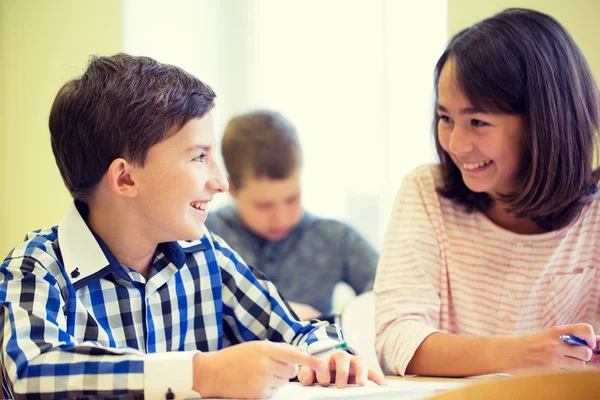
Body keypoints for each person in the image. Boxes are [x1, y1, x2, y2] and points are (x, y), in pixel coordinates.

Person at [0, 54, 385, 399]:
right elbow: (32, 371)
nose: (221, 182)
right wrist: (200, 372)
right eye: (199, 157)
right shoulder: (35, 268)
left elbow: (296, 332)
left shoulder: (207, 254)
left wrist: (329, 355)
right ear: (126, 180)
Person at [375, 8, 600, 377]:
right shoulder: (426, 192)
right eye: (445, 118)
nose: (456, 144)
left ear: (544, 121)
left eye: (478, 122)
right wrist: (526, 353)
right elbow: (396, 338)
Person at [205, 110, 378, 320]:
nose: (282, 218)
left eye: (291, 199)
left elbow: (388, 299)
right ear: (230, 189)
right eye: (264, 206)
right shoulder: (204, 235)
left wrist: (340, 320)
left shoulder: (336, 237)